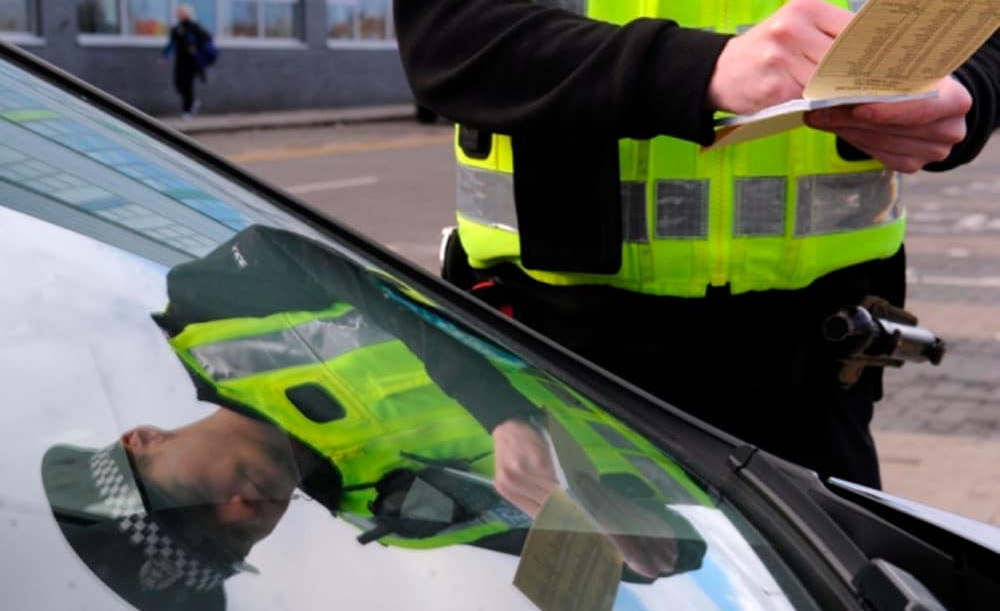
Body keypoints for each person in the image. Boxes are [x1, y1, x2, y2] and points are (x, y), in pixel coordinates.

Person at [386, 0, 1000, 488]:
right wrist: (700, 68)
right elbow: (449, 35)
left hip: (820, 367)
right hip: (559, 364)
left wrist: (966, 93)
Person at [42, 225, 707, 610]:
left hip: (624, 274)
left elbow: (336, 269)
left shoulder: (207, 311)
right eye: (234, 543)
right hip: (707, 415)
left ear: (143, 440)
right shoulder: (399, 521)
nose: (244, 509)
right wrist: (643, 544)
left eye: (196, 503)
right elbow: (668, 554)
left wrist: (500, 414)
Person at [162, 4, 210, 120]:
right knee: (178, 84)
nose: (178, 14)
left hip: (192, 62)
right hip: (180, 61)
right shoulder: (176, 29)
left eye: (180, 12)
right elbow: (171, 44)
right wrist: (165, 55)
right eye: (178, 13)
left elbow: (206, 39)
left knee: (188, 86)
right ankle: (192, 102)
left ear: (187, 14)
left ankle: (187, 111)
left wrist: (196, 48)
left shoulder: (195, 27)